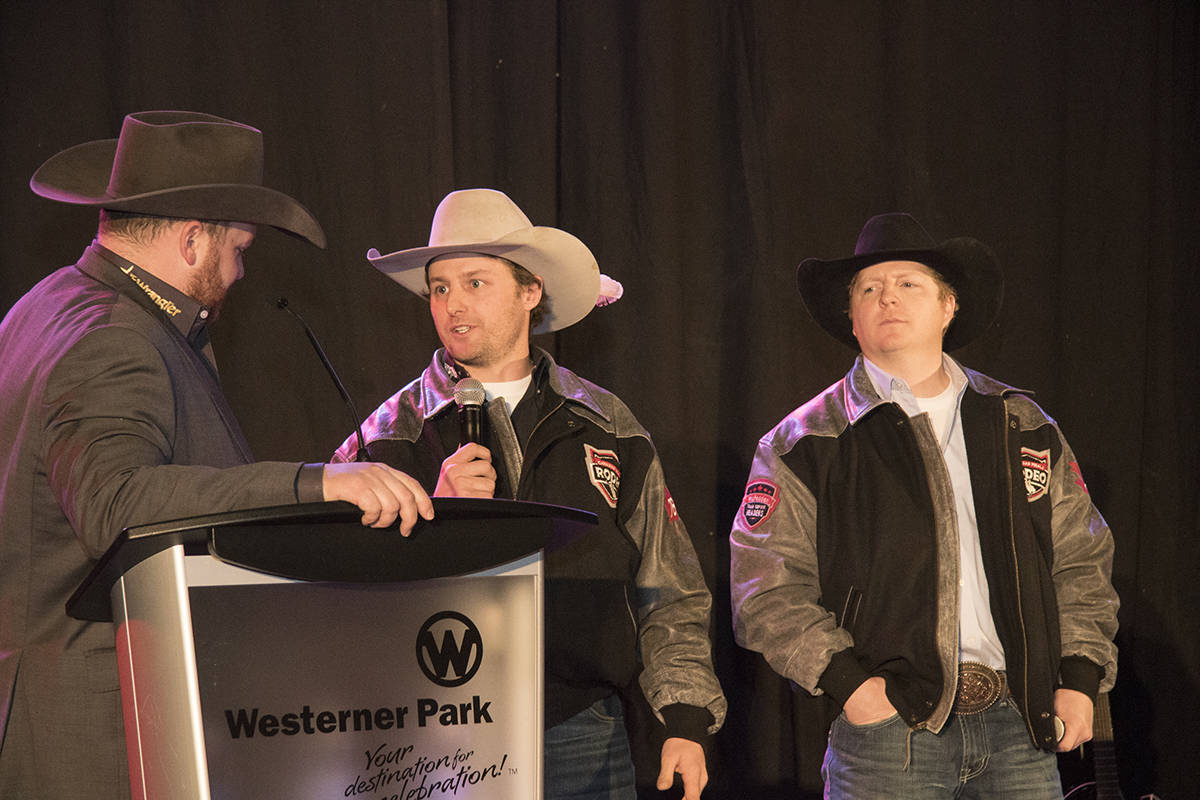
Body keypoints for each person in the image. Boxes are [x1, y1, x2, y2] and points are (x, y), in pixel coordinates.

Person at [0, 111, 433, 799]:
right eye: (239, 249)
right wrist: (319, 486)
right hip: (99, 740)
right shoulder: (117, 338)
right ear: (193, 239)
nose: (239, 271)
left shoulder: (46, 305)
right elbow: (118, 504)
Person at [332, 188, 726, 800]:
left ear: (530, 291)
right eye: (440, 288)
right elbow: (333, 593)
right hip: (436, 730)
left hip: (581, 728)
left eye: (476, 283)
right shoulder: (387, 436)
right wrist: (432, 517)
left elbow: (668, 587)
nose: (453, 304)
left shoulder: (607, 424)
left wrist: (685, 716)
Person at [729, 213, 1119, 797]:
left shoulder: (1020, 423)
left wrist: (1081, 677)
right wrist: (856, 690)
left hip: (1020, 726)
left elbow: (1080, 560)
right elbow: (766, 589)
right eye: (868, 288)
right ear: (852, 320)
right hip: (889, 737)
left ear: (948, 307)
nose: (887, 296)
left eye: (908, 282)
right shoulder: (807, 442)